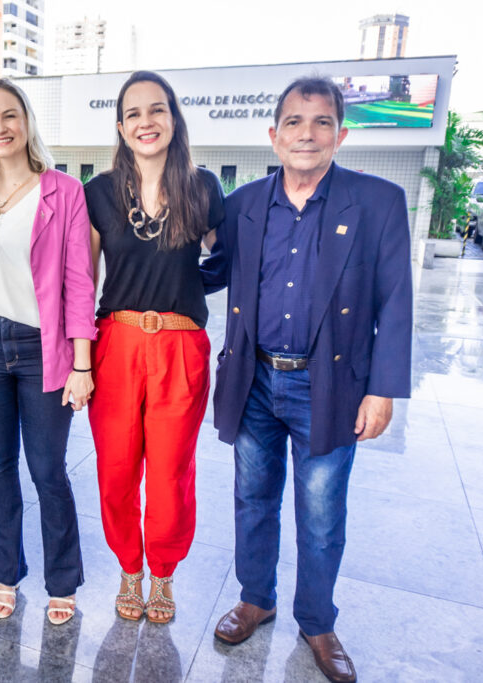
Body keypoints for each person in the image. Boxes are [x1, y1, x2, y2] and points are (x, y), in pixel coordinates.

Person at [202, 76, 412, 683]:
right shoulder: (243, 205)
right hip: (254, 379)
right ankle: (256, 597)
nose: (307, 134)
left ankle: (317, 621)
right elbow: (212, 272)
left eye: (322, 122)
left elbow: (395, 300)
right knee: (252, 498)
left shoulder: (376, 202)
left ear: (341, 134)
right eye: (294, 122)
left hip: (332, 385)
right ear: (273, 135)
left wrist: (383, 389)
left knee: (320, 513)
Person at [0, 79, 96, 625]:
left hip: (43, 349)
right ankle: (5, 572)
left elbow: (80, 282)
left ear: (27, 122)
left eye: (9, 116)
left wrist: (82, 363)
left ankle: (63, 580)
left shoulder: (62, 191)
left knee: (47, 468)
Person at [84, 71, 226, 624]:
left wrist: (193, 287)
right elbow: (81, 281)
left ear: (173, 119)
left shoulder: (203, 186)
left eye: (157, 110)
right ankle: (129, 567)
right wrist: (78, 361)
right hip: (115, 344)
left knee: (170, 472)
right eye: (134, 113)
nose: (147, 121)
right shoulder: (98, 192)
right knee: (116, 469)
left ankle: (162, 573)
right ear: (120, 127)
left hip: (180, 347)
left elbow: (227, 256)